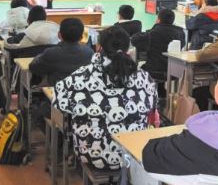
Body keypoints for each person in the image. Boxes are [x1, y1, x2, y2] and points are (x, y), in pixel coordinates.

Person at [53, 26, 157, 170]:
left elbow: (59, 102)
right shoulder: (144, 77)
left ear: (99, 47)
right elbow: (153, 104)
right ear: (128, 48)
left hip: (92, 154)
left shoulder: (81, 76)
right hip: (134, 154)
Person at [30, 18, 93, 86]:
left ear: (59, 35)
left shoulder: (52, 53)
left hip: (55, 90)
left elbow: (33, 68)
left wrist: (38, 57)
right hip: (81, 90)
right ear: (81, 37)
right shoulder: (90, 53)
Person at [131, 8, 185, 81]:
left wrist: (153, 28)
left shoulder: (153, 33)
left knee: (138, 70)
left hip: (154, 71)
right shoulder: (180, 33)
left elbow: (134, 40)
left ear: (158, 19)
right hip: (174, 72)